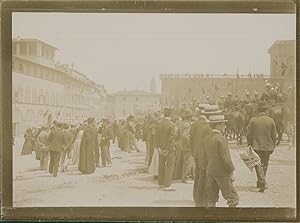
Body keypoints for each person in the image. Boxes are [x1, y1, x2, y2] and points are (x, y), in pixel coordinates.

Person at [204, 113, 239, 207]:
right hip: (222, 173)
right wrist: (231, 172)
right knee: (233, 198)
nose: (225, 126)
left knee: (211, 199)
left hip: (210, 172)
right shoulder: (221, 139)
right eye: (223, 124)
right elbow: (226, 159)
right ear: (218, 125)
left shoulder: (206, 138)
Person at [247, 101, 277, 192]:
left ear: (258, 110)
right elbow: (274, 135)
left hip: (256, 146)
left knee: (258, 164)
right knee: (265, 164)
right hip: (268, 146)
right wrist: (273, 146)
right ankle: (261, 181)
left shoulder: (253, 120)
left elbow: (248, 134)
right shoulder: (271, 120)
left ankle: (261, 181)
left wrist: (249, 145)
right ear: (266, 110)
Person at [190, 106, 212, 207]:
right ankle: (201, 199)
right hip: (204, 154)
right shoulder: (207, 126)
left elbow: (191, 140)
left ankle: (195, 197)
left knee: (197, 175)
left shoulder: (194, 124)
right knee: (204, 176)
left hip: (196, 153)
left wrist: (193, 152)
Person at [157, 107, 177, 191]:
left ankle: (161, 182)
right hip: (169, 149)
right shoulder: (171, 124)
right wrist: (168, 149)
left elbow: (156, 136)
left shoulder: (159, 123)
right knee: (169, 166)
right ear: (171, 114)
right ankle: (167, 185)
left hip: (161, 148)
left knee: (161, 164)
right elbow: (171, 138)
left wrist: (159, 147)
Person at [178, 108, 194, 184]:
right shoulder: (188, 125)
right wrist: (190, 144)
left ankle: (188, 177)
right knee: (188, 162)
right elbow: (185, 136)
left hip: (182, 145)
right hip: (187, 147)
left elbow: (177, 134)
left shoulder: (181, 123)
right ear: (190, 116)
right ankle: (185, 178)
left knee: (187, 162)